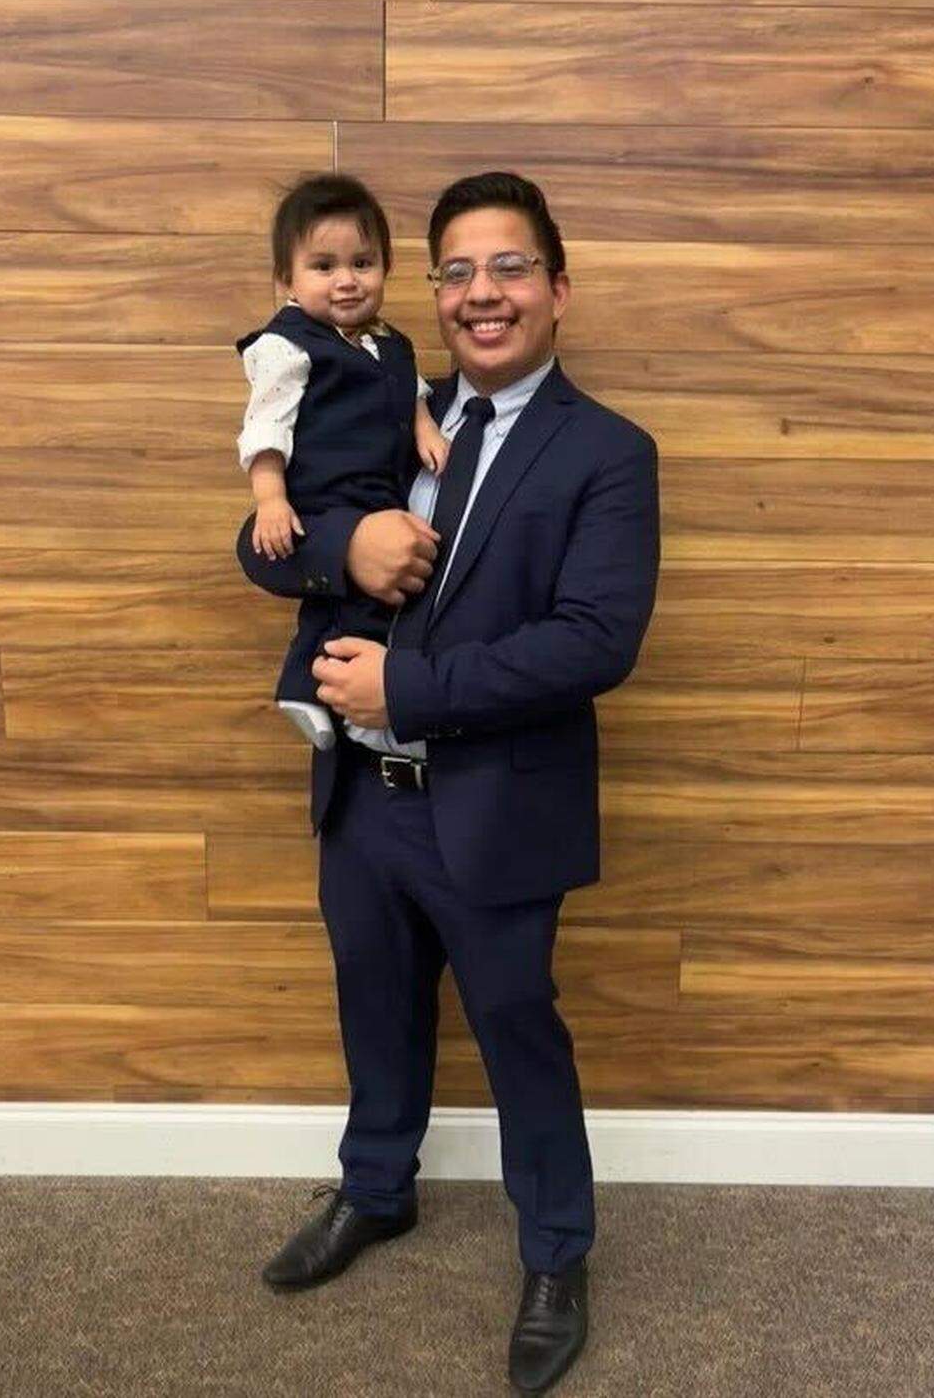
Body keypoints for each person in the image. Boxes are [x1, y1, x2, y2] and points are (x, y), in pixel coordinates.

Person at [236, 170, 660, 1396]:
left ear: (558, 289)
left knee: (519, 1028)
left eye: (510, 266)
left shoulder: (609, 452)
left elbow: (595, 640)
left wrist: (410, 692)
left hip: (497, 807)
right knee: (376, 1009)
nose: (483, 293)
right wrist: (340, 543)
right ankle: (378, 1189)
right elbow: (254, 539)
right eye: (458, 271)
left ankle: (555, 1251)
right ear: (436, 293)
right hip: (362, 807)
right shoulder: (376, 400)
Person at [234, 173, 449, 750]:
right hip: (324, 493)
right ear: (287, 280)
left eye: (363, 262)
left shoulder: (390, 344)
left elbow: (411, 391)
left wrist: (425, 428)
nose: (347, 281)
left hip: (376, 491)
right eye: (324, 267)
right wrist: (271, 499)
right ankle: (301, 686)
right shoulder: (288, 346)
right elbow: (266, 426)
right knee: (334, 602)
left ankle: (342, 691)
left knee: (368, 602)